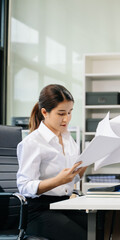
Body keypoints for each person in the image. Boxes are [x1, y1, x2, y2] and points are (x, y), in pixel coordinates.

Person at [16, 84, 88, 240]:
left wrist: (88, 162)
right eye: (61, 113)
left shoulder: (69, 139)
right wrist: (58, 181)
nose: (66, 119)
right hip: (40, 211)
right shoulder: (32, 142)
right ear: (44, 112)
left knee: (103, 227)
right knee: (84, 237)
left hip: (64, 205)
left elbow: (72, 179)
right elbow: (24, 187)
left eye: (69, 113)